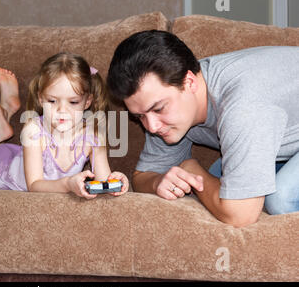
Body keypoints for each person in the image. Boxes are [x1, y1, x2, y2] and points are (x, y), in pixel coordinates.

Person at [106, 30, 299, 227]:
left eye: (158, 108)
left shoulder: (242, 108)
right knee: (217, 181)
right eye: (139, 117)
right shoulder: (168, 105)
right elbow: (142, 176)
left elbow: (241, 216)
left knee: (282, 197)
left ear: (189, 82)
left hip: (260, 112)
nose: (152, 127)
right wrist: (158, 182)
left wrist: (191, 168)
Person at [0, 52, 129, 199]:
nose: (62, 110)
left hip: (19, 157)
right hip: (0, 168)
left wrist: (116, 182)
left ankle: (0, 128)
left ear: (87, 102)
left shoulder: (93, 136)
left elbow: (102, 180)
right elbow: (34, 185)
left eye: (73, 102)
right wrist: (67, 184)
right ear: (40, 99)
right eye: (52, 101)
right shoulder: (33, 131)